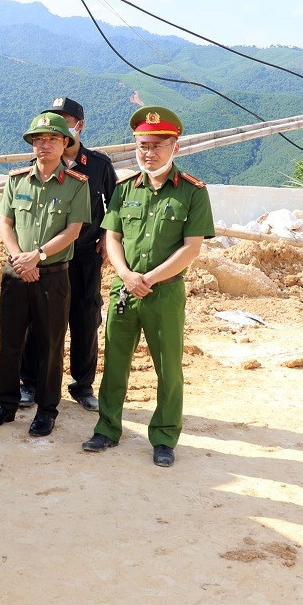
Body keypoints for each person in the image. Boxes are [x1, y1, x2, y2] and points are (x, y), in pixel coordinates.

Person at [81, 106, 214, 467]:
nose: (148, 152)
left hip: (165, 293)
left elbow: (192, 247)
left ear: (175, 146)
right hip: (125, 289)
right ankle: (107, 428)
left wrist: (149, 279)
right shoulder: (125, 189)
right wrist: (126, 274)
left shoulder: (192, 192)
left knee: (168, 367)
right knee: (115, 364)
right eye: (142, 145)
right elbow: (112, 235)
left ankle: (165, 436)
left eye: (157, 145)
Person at [0, 113, 90, 437]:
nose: (45, 144)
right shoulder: (16, 180)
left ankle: (46, 410)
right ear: (32, 143)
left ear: (64, 144)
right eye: (39, 139)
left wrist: (38, 256)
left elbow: (73, 230)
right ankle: (5, 404)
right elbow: (6, 223)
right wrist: (19, 258)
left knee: (51, 345)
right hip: (16, 272)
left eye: (53, 139)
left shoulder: (75, 184)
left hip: (53, 276)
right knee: (10, 341)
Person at [18, 97, 116, 412]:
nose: (60, 126)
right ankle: (30, 384)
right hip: (47, 256)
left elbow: (114, 206)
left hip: (85, 255)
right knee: (39, 320)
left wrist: (105, 236)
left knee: (85, 319)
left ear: (78, 126)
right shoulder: (42, 163)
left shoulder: (99, 165)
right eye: (54, 120)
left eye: (66, 120)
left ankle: (82, 386)